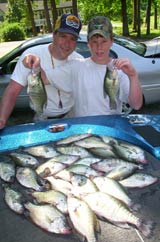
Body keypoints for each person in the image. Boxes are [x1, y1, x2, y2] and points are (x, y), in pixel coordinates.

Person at [23, 16, 143, 118]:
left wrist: (133, 76)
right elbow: (44, 78)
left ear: (111, 41)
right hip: (83, 131)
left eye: (103, 41)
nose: (99, 47)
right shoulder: (76, 66)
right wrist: (32, 60)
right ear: (88, 43)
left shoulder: (119, 70)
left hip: (110, 128)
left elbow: (136, 105)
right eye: (94, 42)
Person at [0, 13, 83, 129]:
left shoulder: (79, 60)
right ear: (54, 35)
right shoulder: (32, 55)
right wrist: (2, 120)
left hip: (72, 117)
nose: (67, 43)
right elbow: (12, 91)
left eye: (72, 39)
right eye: (63, 36)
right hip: (41, 119)